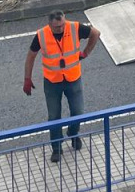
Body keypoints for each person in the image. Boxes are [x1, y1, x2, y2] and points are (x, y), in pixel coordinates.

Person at [23, 10, 101, 163]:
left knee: (78, 112)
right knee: (54, 116)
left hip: (73, 79)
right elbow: (31, 56)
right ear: (50, 25)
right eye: (57, 27)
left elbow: (96, 33)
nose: (61, 28)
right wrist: (27, 78)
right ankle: (57, 148)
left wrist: (85, 53)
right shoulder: (41, 35)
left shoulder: (74, 27)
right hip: (52, 82)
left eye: (62, 24)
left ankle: (73, 133)